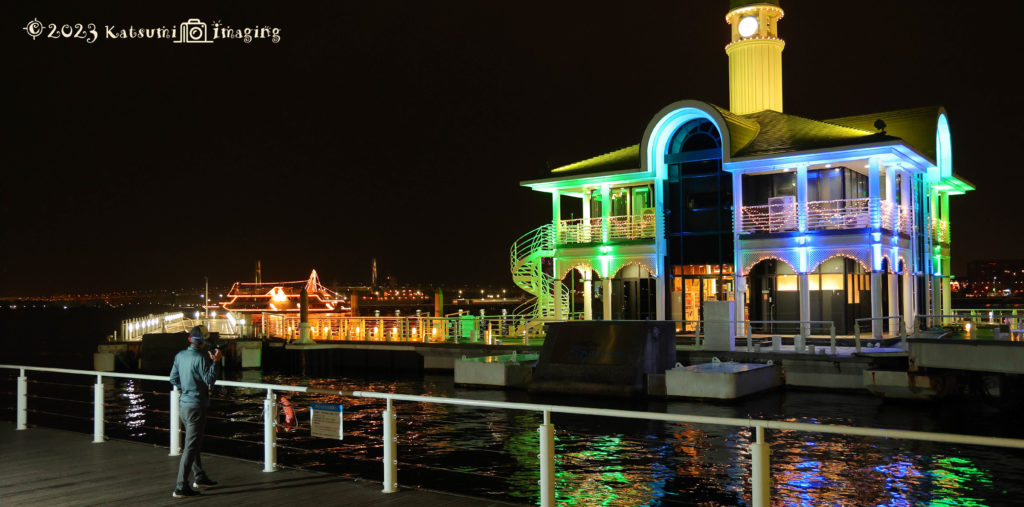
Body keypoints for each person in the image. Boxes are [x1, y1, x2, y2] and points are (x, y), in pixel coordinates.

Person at [169, 325, 222, 498]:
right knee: (190, 448)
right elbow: (210, 381)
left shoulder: (180, 355)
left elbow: (173, 378)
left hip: (183, 406)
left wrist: (186, 389)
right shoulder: (201, 358)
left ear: (190, 340)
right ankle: (180, 487)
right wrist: (216, 362)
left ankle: (199, 477)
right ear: (202, 343)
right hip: (196, 406)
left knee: (194, 443)